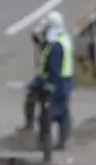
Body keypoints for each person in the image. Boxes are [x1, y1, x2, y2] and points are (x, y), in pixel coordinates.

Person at [28, 10, 74, 150]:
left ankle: (46, 143)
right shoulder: (63, 39)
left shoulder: (56, 46)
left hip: (57, 83)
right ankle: (60, 142)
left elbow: (54, 67)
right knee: (62, 114)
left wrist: (48, 85)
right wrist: (38, 41)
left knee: (48, 114)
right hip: (65, 82)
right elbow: (46, 51)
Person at [21, 18, 49, 131]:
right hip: (41, 76)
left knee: (44, 104)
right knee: (30, 98)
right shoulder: (44, 45)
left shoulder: (51, 45)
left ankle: (41, 128)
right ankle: (30, 124)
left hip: (50, 78)